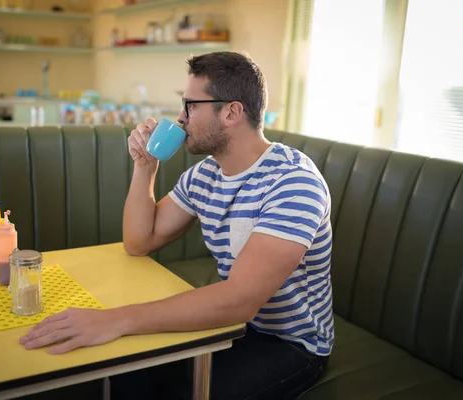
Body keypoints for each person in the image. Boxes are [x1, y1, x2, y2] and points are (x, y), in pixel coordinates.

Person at [19, 51, 334, 400]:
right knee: (128, 370)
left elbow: (240, 301)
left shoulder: (292, 183)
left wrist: (117, 319)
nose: (181, 118)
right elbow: (139, 241)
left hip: (289, 344)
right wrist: (144, 166)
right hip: (237, 326)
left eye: (190, 106)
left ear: (230, 112)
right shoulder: (206, 174)